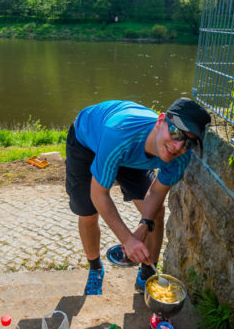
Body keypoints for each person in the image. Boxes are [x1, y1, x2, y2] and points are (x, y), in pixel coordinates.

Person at [65, 98, 211, 295]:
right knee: (89, 212)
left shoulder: (180, 156)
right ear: (161, 121)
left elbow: (158, 192)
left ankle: (147, 272)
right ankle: (96, 268)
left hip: (130, 153)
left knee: (155, 213)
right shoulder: (119, 132)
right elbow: (99, 194)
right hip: (87, 141)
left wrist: (144, 225)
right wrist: (127, 239)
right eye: (176, 133)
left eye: (189, 142)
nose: (178, 146)